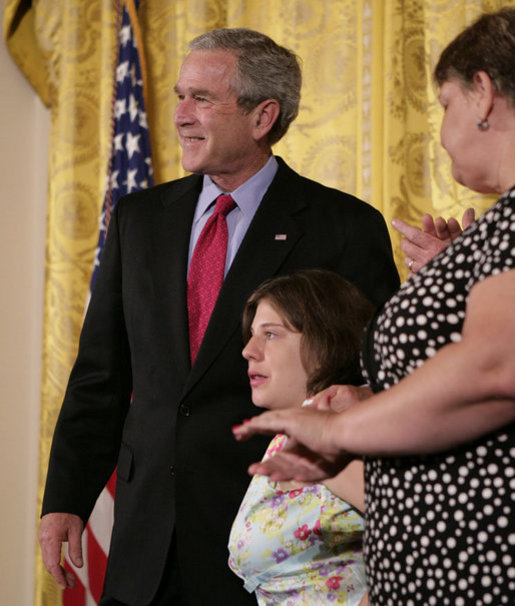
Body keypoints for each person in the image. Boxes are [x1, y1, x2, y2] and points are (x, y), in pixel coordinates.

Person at [38, 27, 400, 606]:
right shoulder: (140, 218)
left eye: (201, 99)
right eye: (180, 94)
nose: (180, 114)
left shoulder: (344, 227)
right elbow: (101, 374)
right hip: (143, 541)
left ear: (263, 117)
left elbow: (372, 384)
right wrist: (66, 499)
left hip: (265, 541)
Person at [234, 9, 515, 605]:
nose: (440, 131)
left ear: (484, 93)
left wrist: (342, 431)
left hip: (478, 565)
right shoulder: (497, 228)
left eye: (445, 104)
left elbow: (494, 371)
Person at [229, 269, 373, 605]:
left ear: (326, 342)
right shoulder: (285, 437)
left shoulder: (339, 436)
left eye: (271, 334)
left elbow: (423, 534)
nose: (249, 350)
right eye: (252, 335)